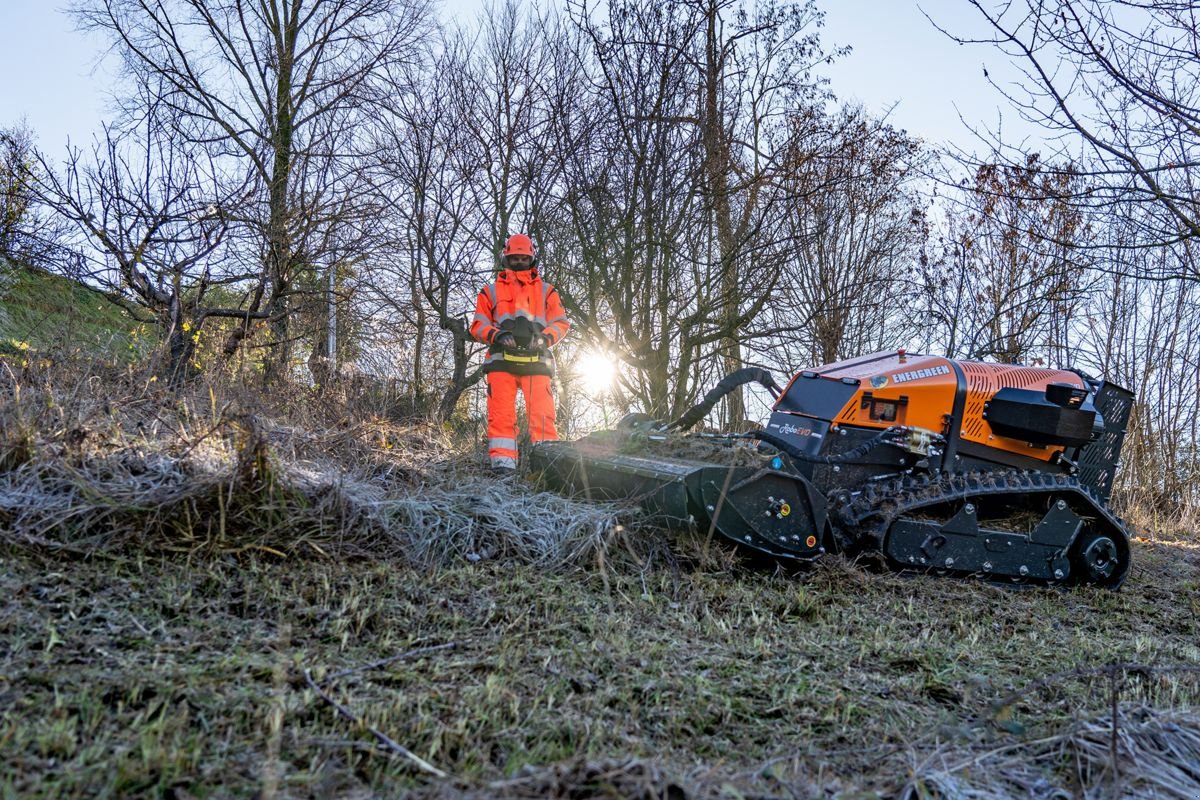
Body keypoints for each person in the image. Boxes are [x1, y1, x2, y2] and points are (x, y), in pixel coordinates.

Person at [470, 233, 570, 471]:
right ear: (506, 258)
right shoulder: (489, 291)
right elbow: (478, 325)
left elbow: (561, 323)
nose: (519, 262)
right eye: (514, 258)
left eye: (523, 258)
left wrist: (545, 338)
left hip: (537, 361)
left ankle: (548, 469)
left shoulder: (547, 291)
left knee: (543, 417)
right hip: (501, 361)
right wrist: (497, 335)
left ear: (532, 259)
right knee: (501, 416)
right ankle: (503, 467)